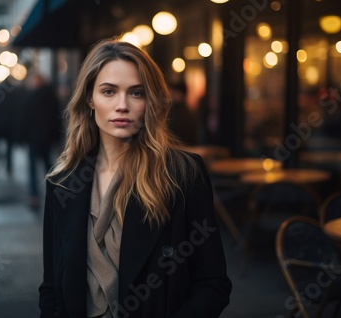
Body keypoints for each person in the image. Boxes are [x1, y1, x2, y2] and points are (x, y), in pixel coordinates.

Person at [39, 39, 231, 317]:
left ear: (150, 101)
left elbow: (212, 283)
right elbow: (51, 288)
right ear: (90, 98)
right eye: (108, 91)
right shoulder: (62, 182)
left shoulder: (182, 174)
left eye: (136, 93)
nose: (122, 105)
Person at [19, 73, 62, 210]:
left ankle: (34, 196)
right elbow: (57, 119)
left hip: (33, 139)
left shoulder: (30, 98)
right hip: (47, 139)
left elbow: (24, 119)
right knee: (48, 166)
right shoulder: (52, 97)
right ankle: (54, 192)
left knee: (32, 168)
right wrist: (56, 137)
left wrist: (22, 137)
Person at [167, 80, 199, 146]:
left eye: (171, 91)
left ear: (179, 93)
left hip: (180, 149)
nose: (168, 94)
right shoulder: (187, 110)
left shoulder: (177, 111)